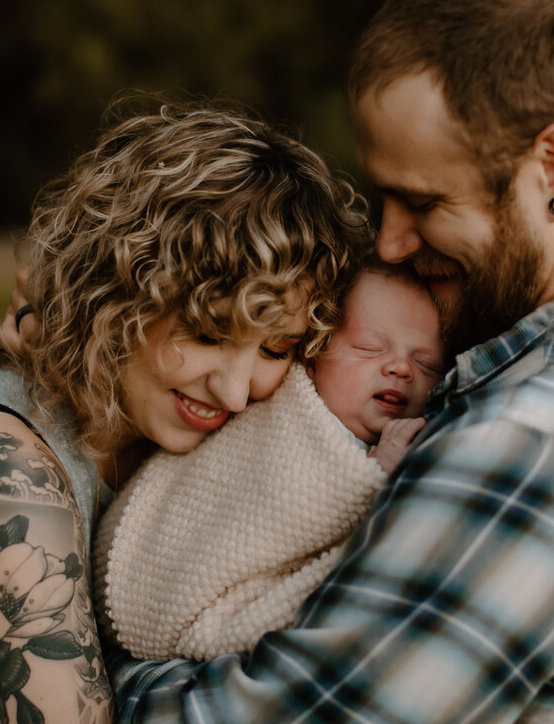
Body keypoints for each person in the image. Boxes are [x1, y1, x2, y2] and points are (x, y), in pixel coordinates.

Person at [102, 0, 554, 724]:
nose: (389, 243)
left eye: (422, 201)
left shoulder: (530, 456)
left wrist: (66, 644)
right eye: (382, 194)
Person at [0, 102, 370, 724]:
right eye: (206, 332)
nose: (234, 391)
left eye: (275, 349)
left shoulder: (152, 427)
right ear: (118, 290)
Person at [93, 265, 445, 661]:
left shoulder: (420, 440)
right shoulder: (284, 414)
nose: (401, 368)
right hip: (150, 575)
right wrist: (375, 476)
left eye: (427, 365)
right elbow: (262, 505)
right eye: (368, 347)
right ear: (310, 358)